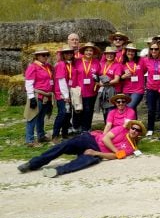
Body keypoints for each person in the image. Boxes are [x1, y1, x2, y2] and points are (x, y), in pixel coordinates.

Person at [17, 120, 146, 178]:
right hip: (91, 139)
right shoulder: (120, 129)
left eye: (137, 130)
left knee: (86, 161)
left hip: (97, 151)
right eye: (133, 128)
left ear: (139, 133)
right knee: (63, 146)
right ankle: (33, 163)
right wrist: (116, 150)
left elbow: (116, 156)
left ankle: (57, 171)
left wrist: (96, 153)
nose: (134, 131)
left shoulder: (131, 147)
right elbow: (106, 139)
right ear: (129, 128)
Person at [24, 49, 54, 146]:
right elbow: (28, 83)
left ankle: (41, 135)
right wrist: (31, 97)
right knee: (32, 117)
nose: (45, 57)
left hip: (46, 96)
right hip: (37, 95)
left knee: (41, 117)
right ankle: (30, 140)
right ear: (37, 56)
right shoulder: (33, 67)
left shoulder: (48, 67)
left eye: (46, 55)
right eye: (42, 55)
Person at [52, 45, 75, 141]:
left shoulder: (70, 64)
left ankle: (65, 133)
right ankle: (55, 135)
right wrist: (66, 96)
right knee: (62, 113)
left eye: (70, 52)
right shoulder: (61, 64)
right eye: (66, 53)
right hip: (62, 94)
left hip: (69, 92)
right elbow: (61, 81)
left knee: (68, 114)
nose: (69, 54)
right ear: (63, 54)